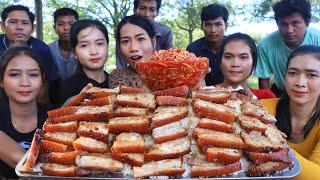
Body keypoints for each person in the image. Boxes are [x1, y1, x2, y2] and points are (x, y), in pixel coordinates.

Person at [0, 46, 55, 178]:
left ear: (42, 80)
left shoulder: (56, 117)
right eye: (14, 74)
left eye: (33, 75)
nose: (25, 82)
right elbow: (27, 167)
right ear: (1, 81)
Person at [254, 0, 320, 97]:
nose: (289, 30)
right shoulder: (266, 44)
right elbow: (264, 81)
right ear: (277, 24)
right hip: (282, 93)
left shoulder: (318, 39)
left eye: (295, 23)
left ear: (307, 22)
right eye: (284, 24)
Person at [275, 45, 320, 180]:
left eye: (311, 75)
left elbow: (316, 175)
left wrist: (274, 146)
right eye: (293, 73)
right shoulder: (262, 109)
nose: (300, 83)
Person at [0, 5, 58, 103]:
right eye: (13, 22)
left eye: (25, 23)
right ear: (2, 26)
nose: (19, 27)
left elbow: (45, 86)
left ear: (33, 28)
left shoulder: (42, 49)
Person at [56, 19, 109, 105]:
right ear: (74, 53)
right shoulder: (67, 87)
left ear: (107, 46)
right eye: (84, 45)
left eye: (99, 44)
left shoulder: (117, 82)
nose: (94, 52)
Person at [217, 33, 276, 100]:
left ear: (253, 65)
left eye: (243, 57)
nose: (235, 64)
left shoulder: (266, 97)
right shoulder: (205, 93)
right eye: (228, 57)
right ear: (220, 62)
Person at [115, 0, 172, 69]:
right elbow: (120, 64)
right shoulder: (124, 30)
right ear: (135, 10)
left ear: (156, 12)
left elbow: (170, 60)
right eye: (142, 8)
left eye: (152, 10)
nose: (147, 14)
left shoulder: (165, 32)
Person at [109, 14, 155, 88]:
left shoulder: (172, 74)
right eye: (126, 41)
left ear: (153, 42)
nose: (133, 48)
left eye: (140, 39)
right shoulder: (117, 78)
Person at [187, 4, 228, 86]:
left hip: (232, 92)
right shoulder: (193, 49)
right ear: (202, 26)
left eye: (218, 24)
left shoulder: (233, 47)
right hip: (200, 95)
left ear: (226, 26)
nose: (213, 30)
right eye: (208, 25)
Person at [49, 7, 79, 80]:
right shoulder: (48, 50)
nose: (66, 28)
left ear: (78, 26)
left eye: (71, 24)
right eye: (61, 24)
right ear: (54, 28)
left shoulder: (84, 48)